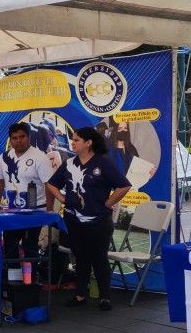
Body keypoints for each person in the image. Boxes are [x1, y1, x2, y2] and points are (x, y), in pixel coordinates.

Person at [47, 126, 131, 311]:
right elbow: (52, 184)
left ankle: (105, 297)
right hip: (73, 219)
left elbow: (123, 186)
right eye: (73, 139)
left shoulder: (103, 163)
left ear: (88, 143)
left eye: (76, 140)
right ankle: (79, 295)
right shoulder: (68, 164)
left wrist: (108, 203)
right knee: (80, 257)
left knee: (99, 258)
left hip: (98, 220)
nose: (72, 142)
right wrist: (63, 199)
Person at [0, 123, 56, 268]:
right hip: (11, 211)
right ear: (10, 139)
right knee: (9, 246)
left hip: (34, 211)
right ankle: (13, 281)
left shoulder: (40, 157)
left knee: (30, 247)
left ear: (28, 137)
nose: (18, 140)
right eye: (14, 138)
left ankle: (31, 283)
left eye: (22, 137)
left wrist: (49, 210)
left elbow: (49, 185)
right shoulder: (4, 157)